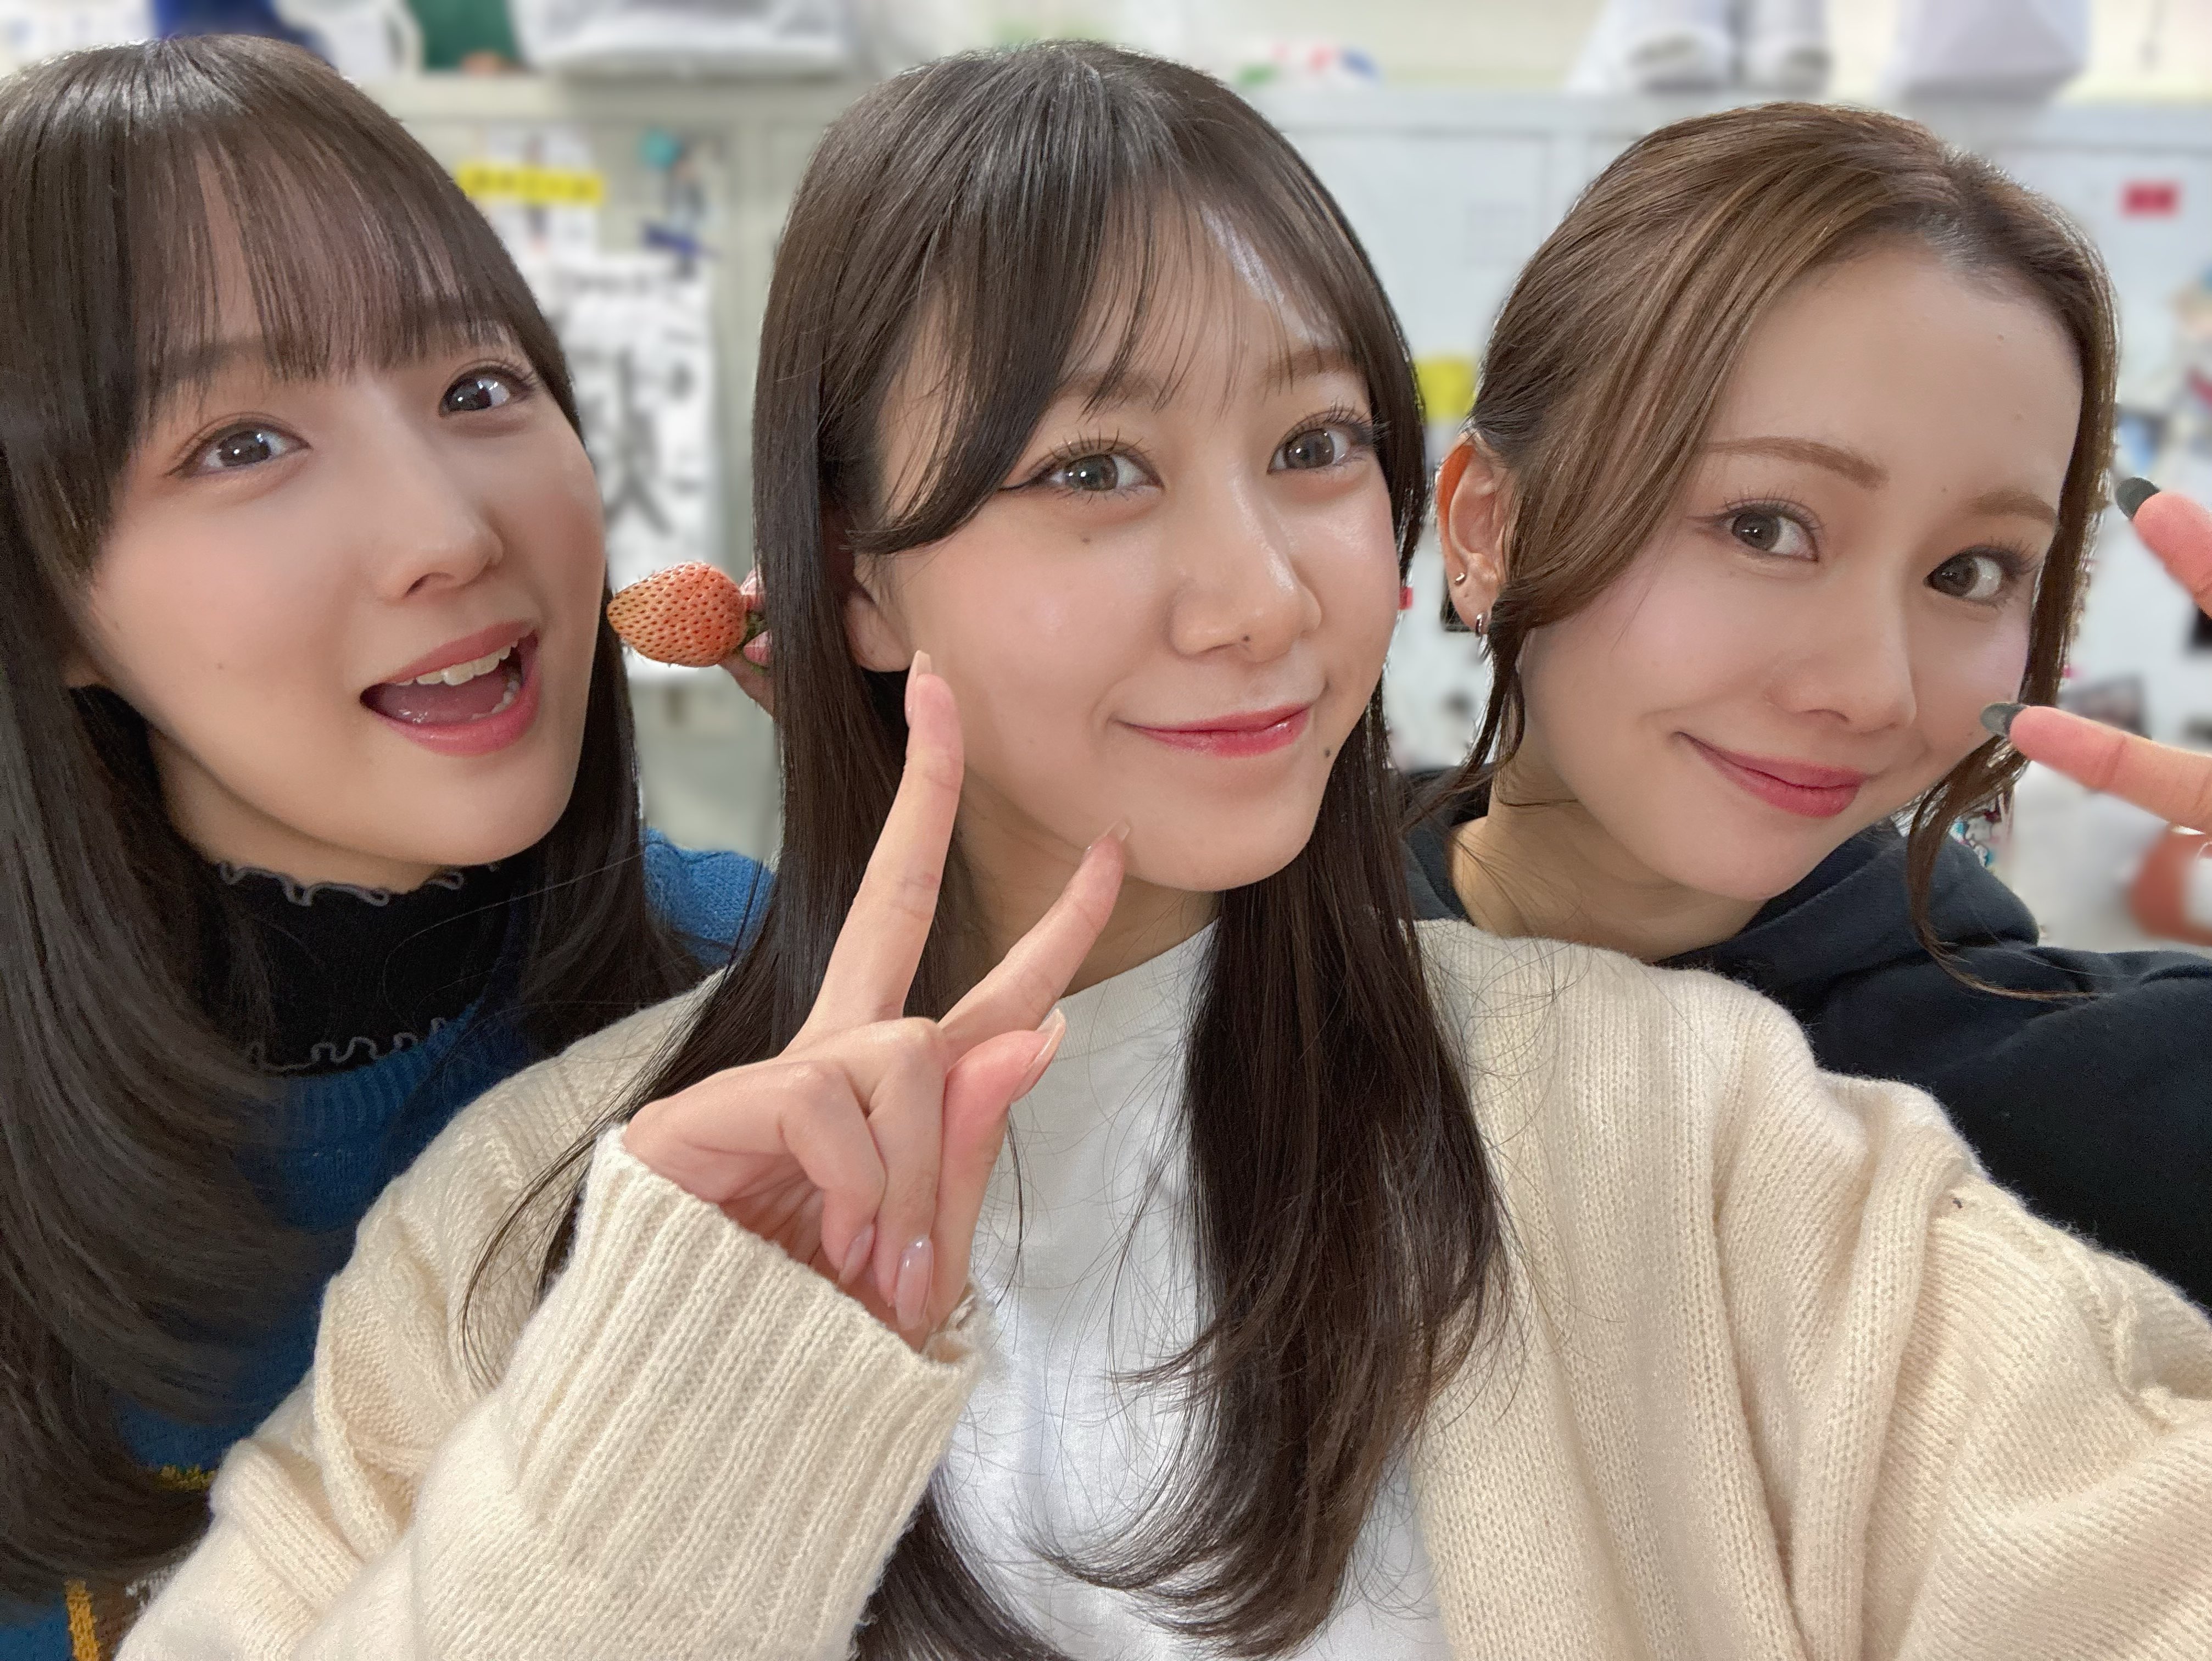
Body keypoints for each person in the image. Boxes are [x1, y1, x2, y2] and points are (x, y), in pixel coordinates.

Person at [129, 44, 2211, 1661]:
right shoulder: (530, 1216)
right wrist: (676, 1414)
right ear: (855, 575)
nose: (1258, 596)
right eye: (1094, 468)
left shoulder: (1694, 1127)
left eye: (1310, 447)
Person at [0, 37, 766, 1658]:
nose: (448, 533)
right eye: (241, 443)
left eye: (478, 388)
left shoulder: (757, 999)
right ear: (46, 603)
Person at [1410, 102, 2212, 1306]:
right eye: (1764, 526)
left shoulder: (2064, 1105)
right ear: (1491, 528)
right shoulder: (1235, 944)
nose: (1873, 691)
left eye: (1970, 572)